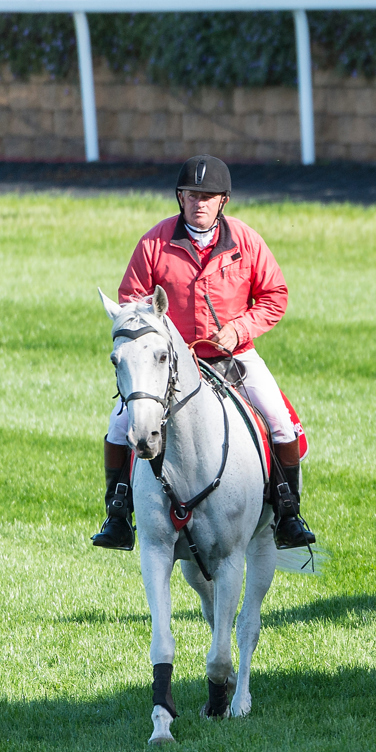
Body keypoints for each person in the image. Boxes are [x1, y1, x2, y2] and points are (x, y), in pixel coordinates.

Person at [92, 155, 316, 551]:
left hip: (234, 356)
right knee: (118, 425)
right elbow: (132, 303)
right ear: (180, 197)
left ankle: (287, 513)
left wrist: (239, 329)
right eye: (191, 194)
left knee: (280, 421)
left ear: (223, 201)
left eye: (207, 196)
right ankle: (118, 513)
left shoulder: (246, 241)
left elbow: (275, 295)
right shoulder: (153, 243)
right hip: (169, 365)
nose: (199, 202)